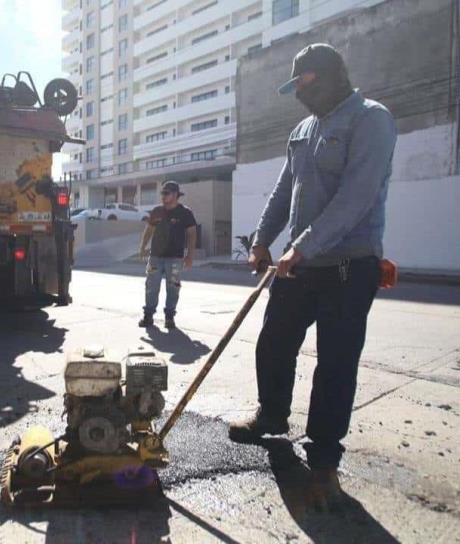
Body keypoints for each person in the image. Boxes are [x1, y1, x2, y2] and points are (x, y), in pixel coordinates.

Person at [227, 44, 397, 506]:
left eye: (307, 84)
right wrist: (262, 239)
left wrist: (301, 247)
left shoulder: (371, 119)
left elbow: (357, 196)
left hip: (347, 265)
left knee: (336, 363)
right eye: (296, 88)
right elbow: (287, 188)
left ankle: (324, 461)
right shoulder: (302, 129)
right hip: (296, 264)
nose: (301, 95)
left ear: (334, 75)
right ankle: (272, 417)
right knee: (274, 341)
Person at [138, 181, 197, 329]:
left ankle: (169, 317)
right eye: (162, 193)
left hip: (175, 259)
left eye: (167, 193)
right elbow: (149, 230)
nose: (163, 196)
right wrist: (142, 247)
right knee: (151, 286)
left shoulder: (185, 212)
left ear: (176, 195)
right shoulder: (157, 211)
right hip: (156, 257)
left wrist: (190, 256)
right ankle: (148, 316)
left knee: (173, 288)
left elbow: (192, 234)